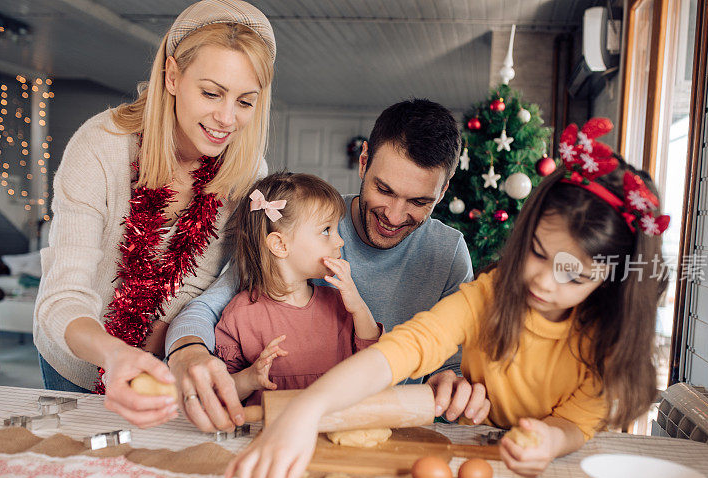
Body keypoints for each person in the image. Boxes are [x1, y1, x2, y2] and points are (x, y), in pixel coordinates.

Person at [224, 119, 671, 478]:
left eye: (574, 276)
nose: (545, 283)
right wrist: (308, 411)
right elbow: (403, 350)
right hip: (471, 453)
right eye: (537, 253)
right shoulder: (487, 297)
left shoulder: (607, 337)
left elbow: (576, 421)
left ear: (609, 281)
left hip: (547, 469)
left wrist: (551, 439)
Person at [33, 0, 276, 428]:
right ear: (172, 76)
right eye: (211, 92)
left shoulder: (247, 171)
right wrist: (115, 354)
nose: (226, 119)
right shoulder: (101, 146)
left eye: (245, 101)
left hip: (164, 363)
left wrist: (179, 347)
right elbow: (62, 296)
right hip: (75, 358)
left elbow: (206, 282)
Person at [164, 99, 474, 432]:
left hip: (392, 434)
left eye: (418, 201)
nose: (394, 216)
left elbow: (459, 364)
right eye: (384, 189)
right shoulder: (304, 223)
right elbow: (206, 311)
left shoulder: (448, 252)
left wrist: (454, 382)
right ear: (364, 161)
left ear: (442, 191)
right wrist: (189, 352)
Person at [214, 172, 382, 404]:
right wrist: (250, 379)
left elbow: (373, 362)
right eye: (326, 230)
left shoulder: (340, 304)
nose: (340, 241)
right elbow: (220, 391)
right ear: (280, 245)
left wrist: (359, 307)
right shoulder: (239, 315)